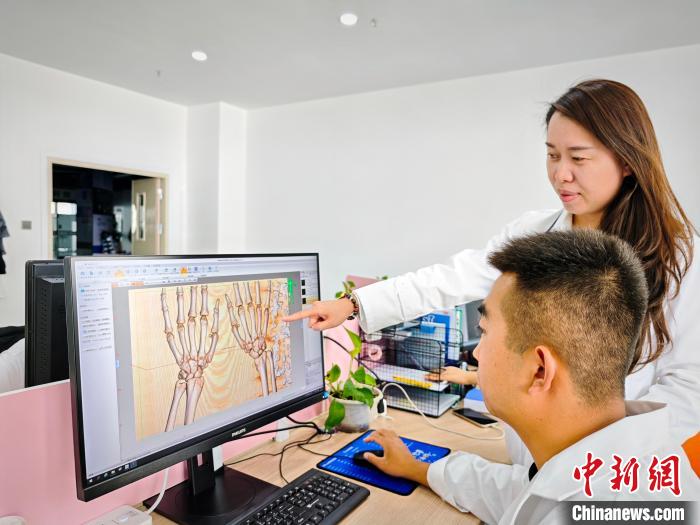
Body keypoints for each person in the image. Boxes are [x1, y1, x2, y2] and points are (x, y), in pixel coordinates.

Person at [283, 79, 700, 451]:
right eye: (552, 155)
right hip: (530, 452)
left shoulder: (680, 257)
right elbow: (452, 278)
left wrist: (610, 446)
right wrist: (352, 305)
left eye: (578, 158)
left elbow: (689, 386)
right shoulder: (534, 232)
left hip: (617, 464)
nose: (560, 174)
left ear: (627, 160)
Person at [362, 230, 699, 524]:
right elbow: (525, 492)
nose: (476, 354)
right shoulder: (610, 470)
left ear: (539, 370)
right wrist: (419, 469)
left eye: (484, 332)